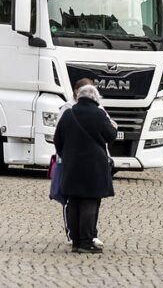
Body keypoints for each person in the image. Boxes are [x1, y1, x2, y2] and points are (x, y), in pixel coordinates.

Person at [53, 83, 117, 253]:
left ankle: (75, 242)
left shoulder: (68, 114)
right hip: (94, 166)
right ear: (95, 98)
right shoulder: (99, 114)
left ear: (79, 97)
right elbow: (111, 136)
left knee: (74, 202)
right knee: (89, 201)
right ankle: (86, 242)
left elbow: (57, 139)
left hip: (72, 165)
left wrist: (66, 156)